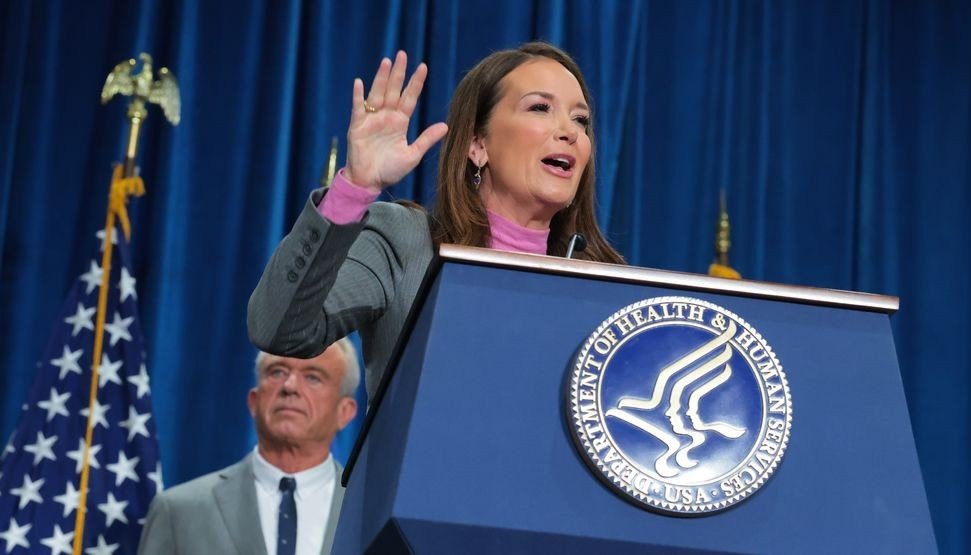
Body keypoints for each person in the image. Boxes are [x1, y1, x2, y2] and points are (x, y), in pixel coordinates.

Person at [248, 42, 623, 400]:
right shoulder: (405, 243)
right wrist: (355, 189)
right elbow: (280, 328)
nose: (570, 132)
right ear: (478, 144)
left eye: (581, 120)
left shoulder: (606, 284)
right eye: (540, 108)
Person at [138, 339, 360, 555]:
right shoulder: (179, 511)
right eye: (277, 372)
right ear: (254, 401)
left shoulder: (367, 512)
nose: (290, 386)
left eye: (313, 377)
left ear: (345, 412)